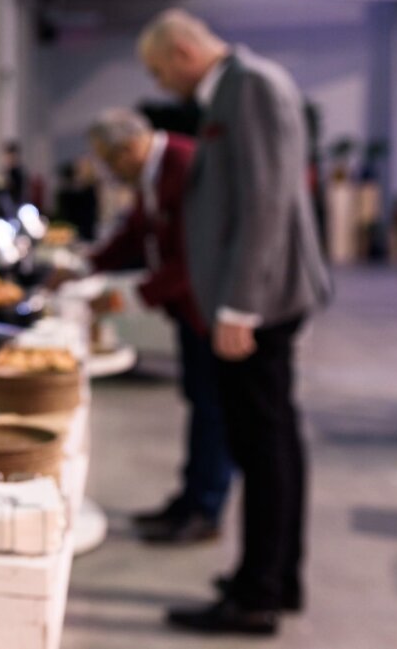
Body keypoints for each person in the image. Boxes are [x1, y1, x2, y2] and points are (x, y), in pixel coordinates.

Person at [138, 9, 331, 636]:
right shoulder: (238, 89)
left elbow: (267, 200)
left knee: (263, 446)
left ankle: (257, 596)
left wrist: (240, 305)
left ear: (186, 48)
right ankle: (277, 578)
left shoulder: (252, 86)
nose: (162, 82)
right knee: (271, 445)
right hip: (259, 296)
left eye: (160, 68)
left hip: (262, 301)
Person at [78, 109, 231, 544]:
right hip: (187, 308)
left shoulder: (184, 165)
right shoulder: (154, 171)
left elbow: (197, 256)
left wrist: (130, 296)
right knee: (199, 402)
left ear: (128, 148)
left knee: (213, 410)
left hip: (208, 308)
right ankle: (191, 499)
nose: (110, 172)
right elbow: (137, 232)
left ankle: (206, 507)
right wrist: (90, 265)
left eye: (110, 161)